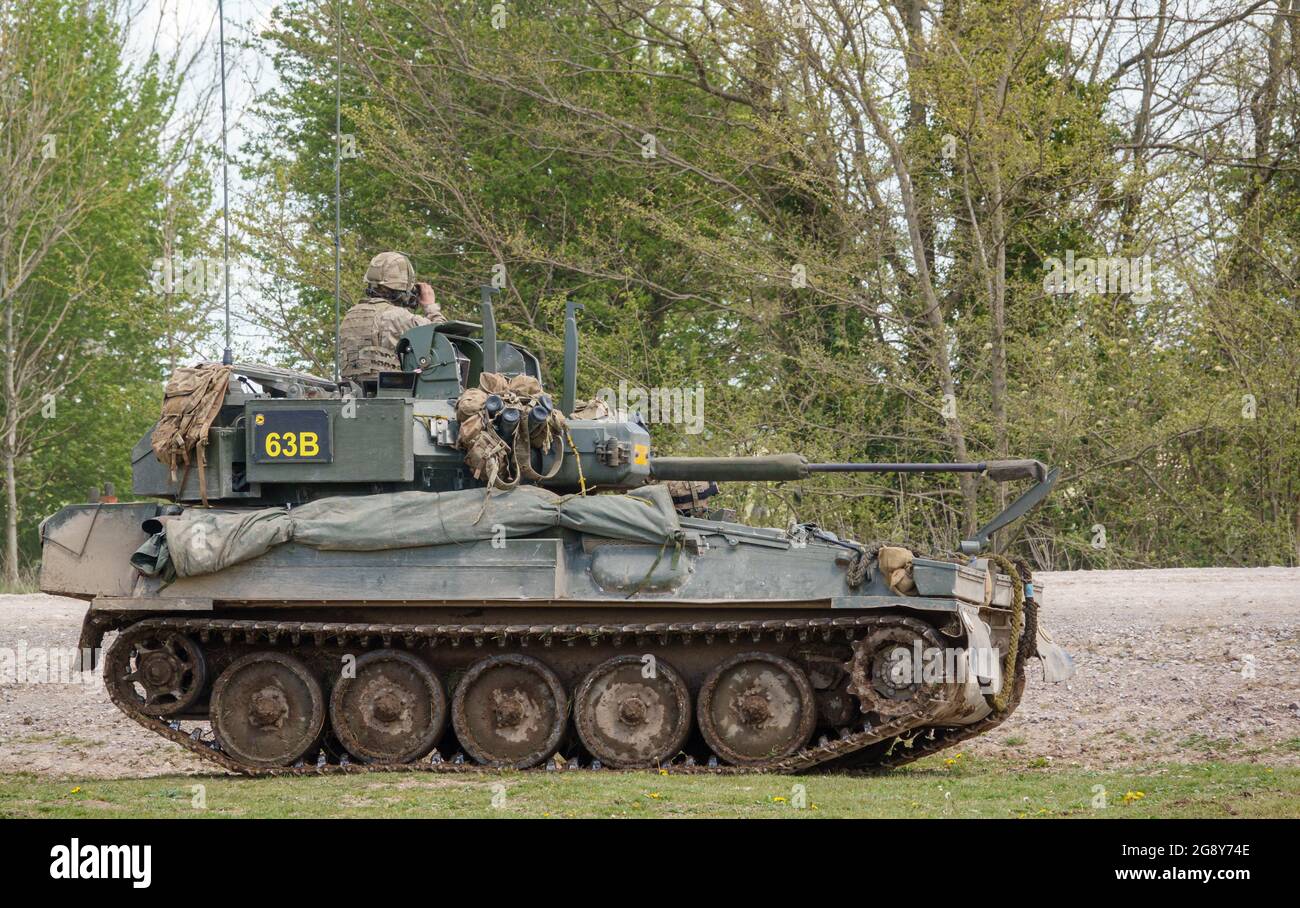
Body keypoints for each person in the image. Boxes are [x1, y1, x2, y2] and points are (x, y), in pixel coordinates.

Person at [339, 252, 445, 382]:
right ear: (404, 287)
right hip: (390, 391)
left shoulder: (350, 315)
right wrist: (430, 306)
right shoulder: (399, 317)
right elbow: (441, 334)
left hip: (352, 391)